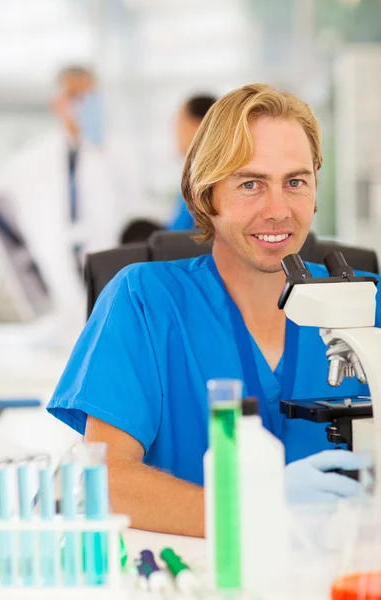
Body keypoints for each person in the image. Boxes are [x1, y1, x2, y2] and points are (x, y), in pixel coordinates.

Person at [47, 83, 380, 537]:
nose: (278, 209)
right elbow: (106, 479)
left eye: (295, 182)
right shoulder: (144, 301)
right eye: (250, 184)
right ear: (205, 195)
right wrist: (258, 510)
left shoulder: (367, 303)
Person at [0, 66, 144, 328]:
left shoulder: (119, 153)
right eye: (74, 96)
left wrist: (98, 148)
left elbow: (132, 212)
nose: (82, 105)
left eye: (89, 97)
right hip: (59, 288)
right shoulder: (32, 159)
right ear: (57, 102)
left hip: (112, 277)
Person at [166, 94, 217, 231]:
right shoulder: (195, 174)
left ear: (198, 125)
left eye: (180, 124)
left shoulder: (204, 178)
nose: (175, 133)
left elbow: (177, 235)